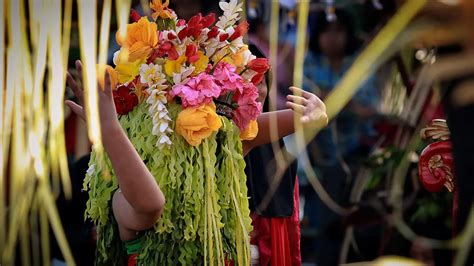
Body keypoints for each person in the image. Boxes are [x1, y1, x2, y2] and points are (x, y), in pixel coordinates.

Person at [65, 56, 325, 264]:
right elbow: (152, 204)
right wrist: (110, 128)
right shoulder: (122, 199)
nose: (195, 138)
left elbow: (291, 123)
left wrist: (317, 115)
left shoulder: (218, 153)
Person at [301, 9, 379, 265]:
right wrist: (341, 101)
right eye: (326, 31)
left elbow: (369, 110)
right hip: (322, 156)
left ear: (348, 34)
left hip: (361, 155)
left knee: (364, 221)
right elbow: (303, 110)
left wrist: (331, 101)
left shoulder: (359, 63)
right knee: (328, 223)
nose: (332, 38)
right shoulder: (309, 62)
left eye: (338, 31)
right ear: (318, 35)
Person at [245, 44, 301, 266]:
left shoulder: (276, 146)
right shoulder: (224, 139)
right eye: (249, 82)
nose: (258, 90)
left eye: (262, 81)